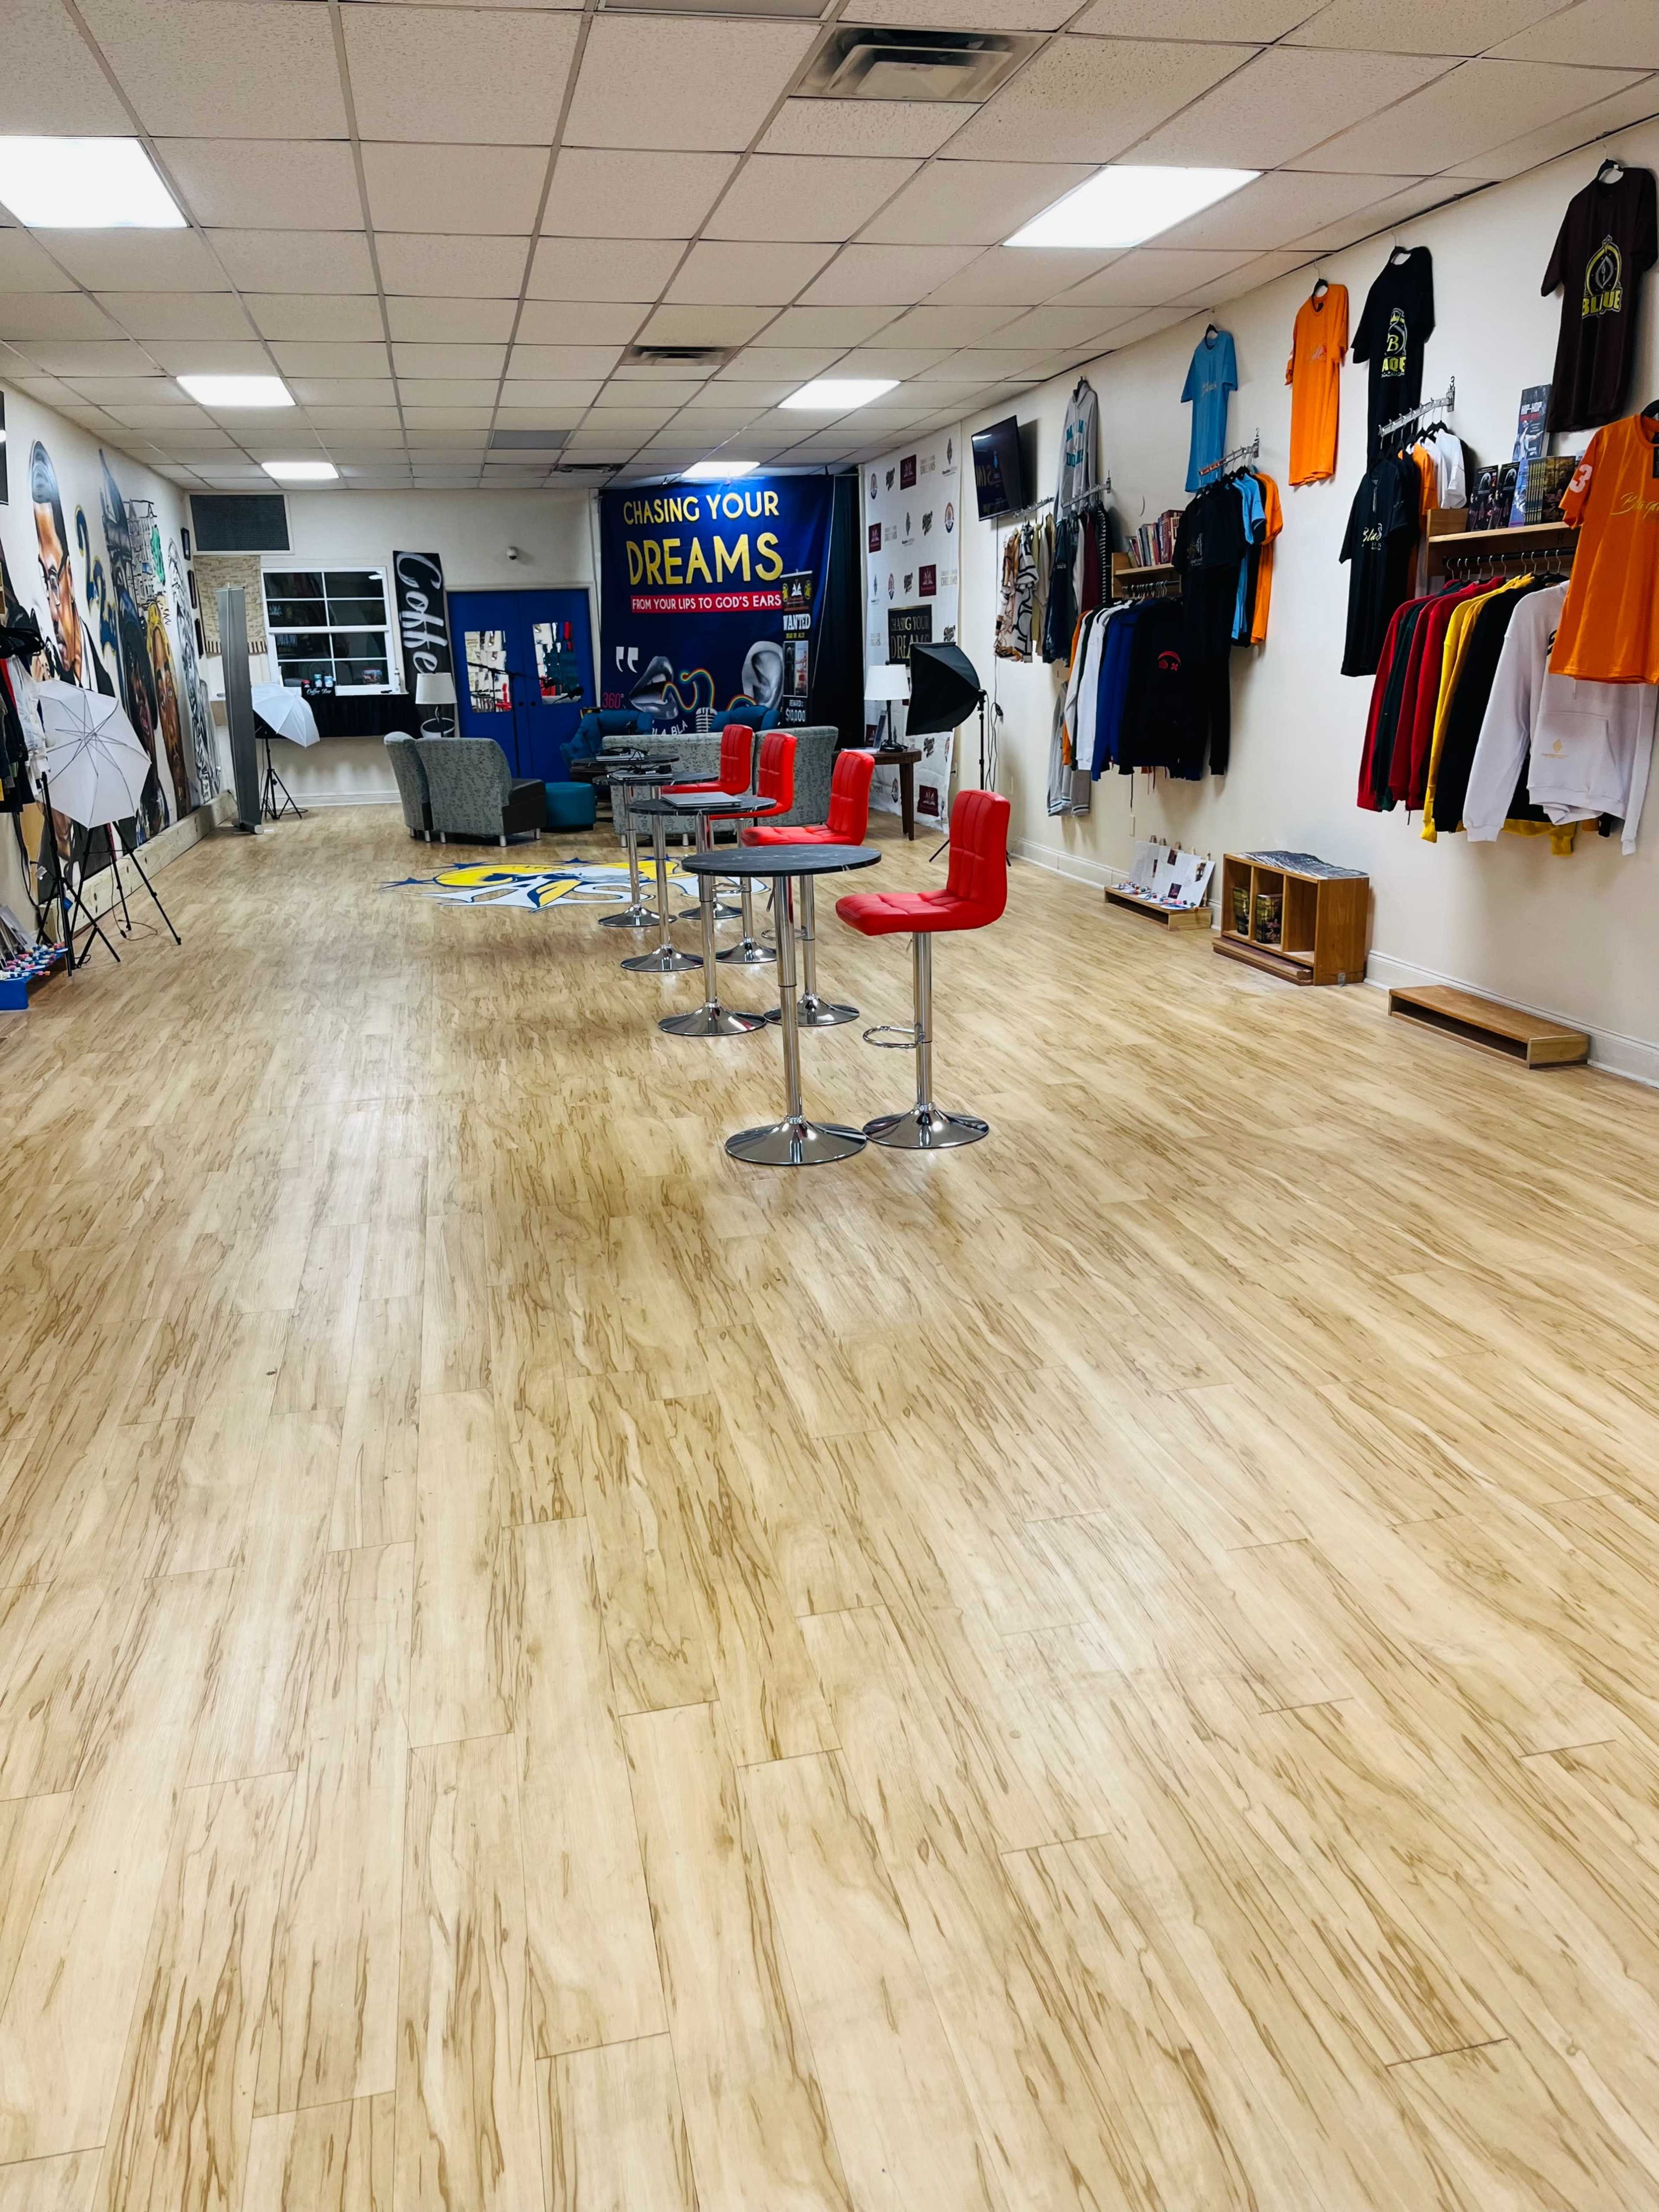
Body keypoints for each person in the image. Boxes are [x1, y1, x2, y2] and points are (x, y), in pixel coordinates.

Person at [29, 440, 111, 694]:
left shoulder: (104, 683)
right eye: (45, 583)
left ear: (71, 579)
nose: (53, 611)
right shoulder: (49, 677)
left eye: (54, 581)